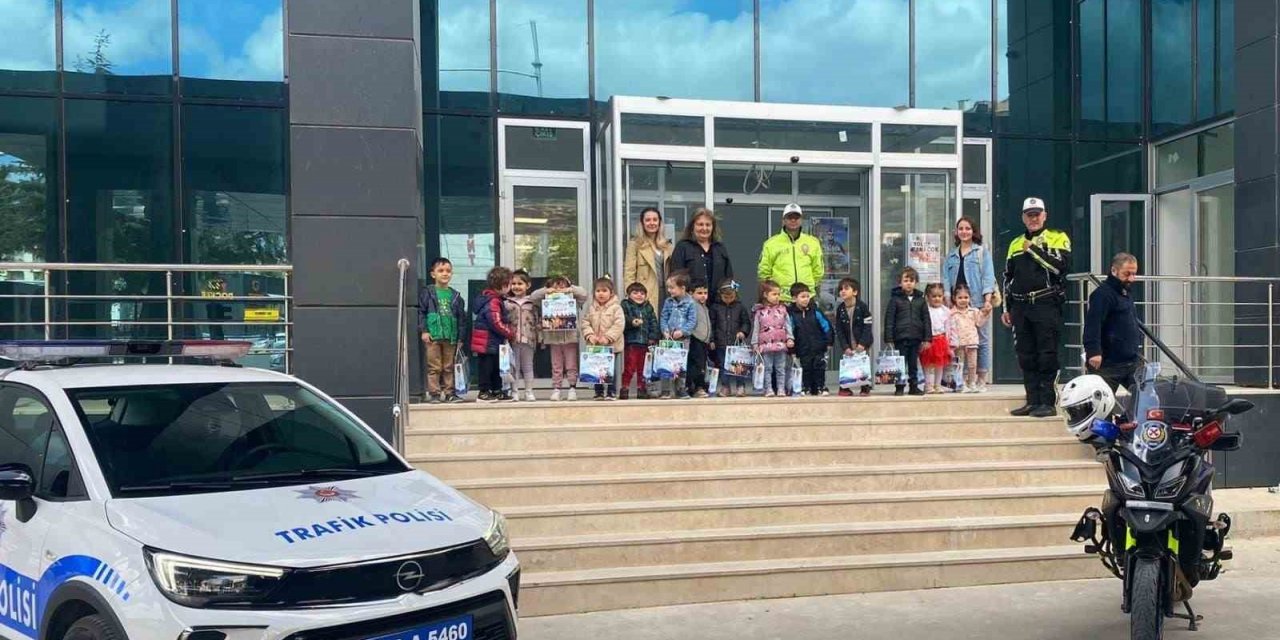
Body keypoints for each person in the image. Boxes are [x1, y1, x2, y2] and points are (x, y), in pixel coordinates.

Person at [1001, 197, 1072, 418]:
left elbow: (1060, 267)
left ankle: (1048, 402)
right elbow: (1007, 278)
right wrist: (1006, 308)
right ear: (1023, 217)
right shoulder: (1014, 244)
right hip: (1020, 306)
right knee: (1025, 355)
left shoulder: (1057, 237)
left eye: (1037, 214)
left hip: (1045, 303)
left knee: (1047, 353)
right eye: (1029, 215)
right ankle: (1032, 400)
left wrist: (1033, 249)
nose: (1033, 218)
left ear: (1044, 215)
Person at [943, 216, 997, 390]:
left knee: (980, 340)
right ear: (956, 232)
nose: (964, 231)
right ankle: (963, 378)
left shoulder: (981, 252)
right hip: (957, 305)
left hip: (978, 303)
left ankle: (981, 378)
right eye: (961, 228)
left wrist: (988, 300)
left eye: (968, 228)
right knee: (959, 342)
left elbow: (988, 276)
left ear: (973, 231)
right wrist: (947, 301)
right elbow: (945, 279)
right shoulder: (951, 255)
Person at [1084, 252, 1142, 392]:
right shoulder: (1102, 294)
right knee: (1103, 406)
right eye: (1126, 274)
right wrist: (1093, 351)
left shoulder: (1125, 292)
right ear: (1114, 271)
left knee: (1145, 400)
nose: (1131, 278)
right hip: (1108, 363)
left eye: (1134, 274)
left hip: (1130, 360)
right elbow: (1093, 324)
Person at [530, 276, 589, 401]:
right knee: (556, 365)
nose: (559, 288)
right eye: (555, 286)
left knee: (571, 364)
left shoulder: (573, 298)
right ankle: (556, 388)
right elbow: (533, 297)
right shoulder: (546, 298)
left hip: (570, 336)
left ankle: (572, 387)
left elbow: (584, 294)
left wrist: (569, 290)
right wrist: (547, 291)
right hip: (553, 337)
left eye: (562, 285)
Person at [419, 258, 468, 403]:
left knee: (449, 366)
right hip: (433, 336)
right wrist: (424, 330)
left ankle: (449, 393)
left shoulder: (456, 296)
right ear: (433, 274)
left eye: (448, 271)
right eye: (441, 271)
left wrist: (460, 338)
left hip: (451, 336)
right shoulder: (428, 292)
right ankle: (434, 393)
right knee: (434, 366)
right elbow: (422, 312)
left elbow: (461, 319)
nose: (445, 274)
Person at [757, 203, 824, 302]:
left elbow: (818, 270)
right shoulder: (771, 243)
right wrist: (772, 292)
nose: (793, 220)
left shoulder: (813, 242)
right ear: (783, 220)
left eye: (796, 217)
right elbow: (763, 272)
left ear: (801, 220)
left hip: (806, 298)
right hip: (781, 299)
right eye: (789, 217)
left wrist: (808, 289)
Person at [669, 208, 734, 306]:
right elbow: (676, 278)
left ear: (713, 227)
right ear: (692, 226)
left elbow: (728, 276)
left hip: (717, 306)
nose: (704, 228)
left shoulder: (720, 248)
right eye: (700, 224)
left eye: (708, 225)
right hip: (690, 306)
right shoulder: (683, 247)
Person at [470, 267, 515, 402]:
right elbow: (495, 322)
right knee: (487, 367)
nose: (510, 287)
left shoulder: (494, 299)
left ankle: (497, 390)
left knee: (496, 366)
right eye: (509, 284)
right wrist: (509, 333)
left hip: (492, 341)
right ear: (502, 285)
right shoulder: (493, 301)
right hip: (487, 341)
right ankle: (484, 392)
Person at [884, 266, 929, 396]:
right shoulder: (895, 300)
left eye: (912, 280)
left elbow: (926, 319)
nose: (909, 283)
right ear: (900, 283)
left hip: (916, 337)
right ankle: (899, 387)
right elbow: (889, 320)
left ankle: (914, 386)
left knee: (913, 364)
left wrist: (927, 338)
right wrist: (889, 338)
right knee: (900, 364)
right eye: (906, 280)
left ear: (916, 283)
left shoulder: (921, 300)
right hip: (900, 337)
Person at [582, 277, 625, 400]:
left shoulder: (616, 308)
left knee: (611, 370)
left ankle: (611, 392)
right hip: (596, 346)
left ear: (611, 293)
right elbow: (585, 323)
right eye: (598, 291)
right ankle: (599, 392)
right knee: (597, 369)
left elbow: (619, 325)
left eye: (604, 290)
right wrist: (590, 335)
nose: (601, 293)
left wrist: (608, 337)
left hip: (612, 346)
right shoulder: (591, 308)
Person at [623, 207, 672, 316]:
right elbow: (629, 273)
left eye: (655, 220)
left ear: (659, 223)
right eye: (648, 220)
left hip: (667, 294)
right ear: (642, 223)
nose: (652, 223)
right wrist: (631, 295)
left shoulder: (667, 246)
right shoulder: (635, 244)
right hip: (645, 293)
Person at [750, 280, 795, 397]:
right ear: (765, 294)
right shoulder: (759, 312)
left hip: (780, 344)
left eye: (778, 294)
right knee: (767, 369)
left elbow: (788, 325)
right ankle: (768, 388)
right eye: (774, 294)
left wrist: (790, 338)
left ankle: (781, 388)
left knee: (781, 368)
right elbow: (756, 328)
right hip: (765, 346)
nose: (777, 297)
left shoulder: (783, 310)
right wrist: (754, 343)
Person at [788, 283, 832, 396]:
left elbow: (826, 326)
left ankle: (820, 386)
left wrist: (829, 341)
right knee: (805, 368)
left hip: (818, 347)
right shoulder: (791, 315)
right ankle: (806, 387)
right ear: (794, 298)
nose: (806, 299)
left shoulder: (815, 311)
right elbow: (790, 333)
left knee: (819, 367)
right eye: (802, 297)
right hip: (802, 348)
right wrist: (792, 350)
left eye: (807, 296)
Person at [660, 270, 697, 399]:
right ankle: (666, 389)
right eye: (668, 288)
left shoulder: (691, 303)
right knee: (666, 362)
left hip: (683, 339)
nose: (669, 290)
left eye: (672, 288)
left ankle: (680, 388)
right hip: (669, 338)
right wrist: (665, 330)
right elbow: (664, 317)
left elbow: (692, 321)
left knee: (680, 364)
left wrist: (682, 331)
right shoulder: (668, 302)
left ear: (682, 288)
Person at [710, 279, 751, 397]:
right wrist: (712, 340)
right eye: (725, 297)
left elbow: (746, 322)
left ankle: (740, 386)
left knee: (739, 366)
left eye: (731, 297)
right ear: (720, 295)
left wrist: (743, 332)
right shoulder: (715, 308)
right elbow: (712, 325)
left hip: (736, 343)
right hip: (721, 342)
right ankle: (725, 387)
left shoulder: (740, 307)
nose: (728, 299)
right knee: (723, 365)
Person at [503, 270, 538, 402]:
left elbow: (538, 320)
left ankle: (529, 391)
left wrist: (540, 337)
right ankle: (514, 391)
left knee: (528, 366)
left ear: (528, 285)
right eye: (513, 283)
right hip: (512, 340)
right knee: (514, 367)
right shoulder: (507, 303)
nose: (516, 286)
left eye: (520, 283)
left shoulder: (533, 302)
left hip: (529, 339)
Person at [834, 277, 873, 397]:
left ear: (855, 292)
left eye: (846, 288)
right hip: (848, 342)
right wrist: (845, 346)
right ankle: (845, 387)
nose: (843, 291)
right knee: (848, 364)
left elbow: (868, 326)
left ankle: (865, 387)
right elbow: (839, 330)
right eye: (841, 289)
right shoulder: (840, 309)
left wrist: (862, 343)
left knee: (862, 364)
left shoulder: (862, 307)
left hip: (862, 342)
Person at [620, 282, 660, 399]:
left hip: (645, 343)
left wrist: (653, 337)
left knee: (644, 367)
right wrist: (632, 322)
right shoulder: (625, 305)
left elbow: (653, 323)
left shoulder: (648, 307)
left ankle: (641, 389)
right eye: (635, 293)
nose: (639, 295)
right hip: (631, 342)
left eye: (642, 293)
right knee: (630, 366)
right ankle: (625, 387)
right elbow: (623, 319)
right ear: (628, 294)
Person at [947, 284, 990, 393]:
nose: (963, 300)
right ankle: (960, 383)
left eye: (966, 297)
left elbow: (979, 323)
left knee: (972, 364)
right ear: (954, 298)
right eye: (960, 298)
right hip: (958, 343)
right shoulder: (951, 313)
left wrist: (985, 314)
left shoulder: (974, 311)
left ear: (970, 298)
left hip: (972, 342)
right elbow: (949, 328)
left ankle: (972, 382)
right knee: (959, 364)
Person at [920, 282, 952, 394]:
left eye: (939, 296)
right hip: (928, 340)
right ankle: (928, 385)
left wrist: (949, 343)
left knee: (940, 364)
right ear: (928, 297)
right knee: (927, 364)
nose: (937, 299)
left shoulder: (946, 311)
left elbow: (948, 327)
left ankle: (938, 385)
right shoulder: (925, 310)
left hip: (941, 339)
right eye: (934, 296)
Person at [687, 281, 714, 397]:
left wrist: (710, 339)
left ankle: (699, 386)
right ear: (691, 293)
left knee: (702, 365)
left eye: (705, 293)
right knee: (696, 365)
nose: (703, 296)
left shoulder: (705, 307)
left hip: (704, 341)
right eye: (699, 293)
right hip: (695, 339)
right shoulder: (691, 305)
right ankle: (696, 387)